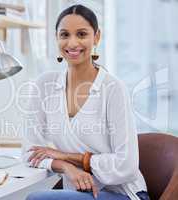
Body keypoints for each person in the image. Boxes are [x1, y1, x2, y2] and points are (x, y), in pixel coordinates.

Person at [22, 4, 150, 200]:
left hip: (122, 193)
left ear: (96, 37)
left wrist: (66, 156)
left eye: (81, 34)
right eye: (64, 35)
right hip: (78, 191)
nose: (72, 43)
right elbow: (29, 153)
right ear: (56, 38)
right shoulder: (44, 85)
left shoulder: (113, 89)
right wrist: (66, 167)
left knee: (38, 199)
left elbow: (126, 165)